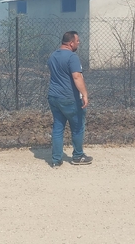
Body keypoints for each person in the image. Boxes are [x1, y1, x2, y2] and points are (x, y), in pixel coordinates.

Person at [47, 31, 92, 167]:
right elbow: (77, 77)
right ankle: (78, 156)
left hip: (54, 97)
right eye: (77, 41)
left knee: (58, 127)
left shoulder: (53, 56)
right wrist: (84, 94)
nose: (79, 43)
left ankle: (56, 160)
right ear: (71, 43)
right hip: (69, 98)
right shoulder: (72, 57)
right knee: (78, 127)